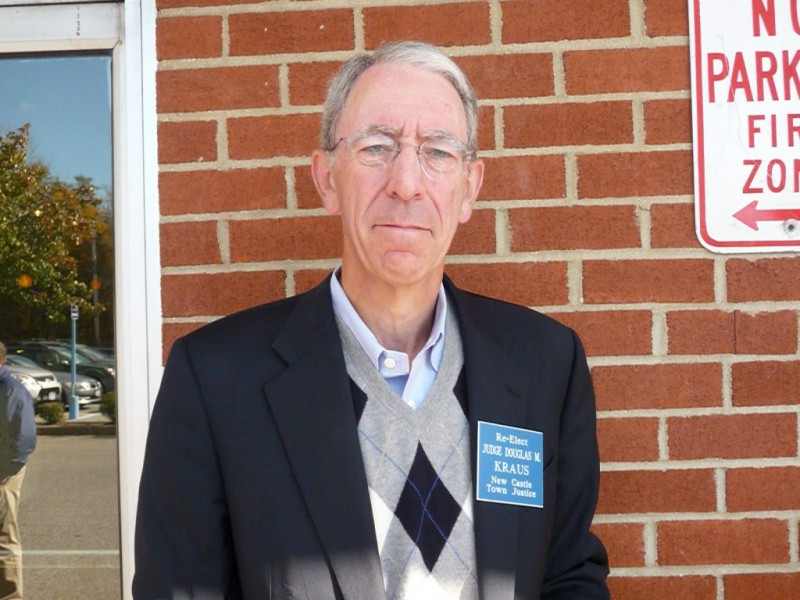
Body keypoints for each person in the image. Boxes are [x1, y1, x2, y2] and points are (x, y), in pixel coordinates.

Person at [134, 41, 609, 599]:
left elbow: (567, 574)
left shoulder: (544, 364)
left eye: (438, 152)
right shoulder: (215, 380)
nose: (406, 183)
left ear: (469, 188)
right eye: (377, 147)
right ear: (326, 178)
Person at [0, 341, 36, 600]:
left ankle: (10, 595)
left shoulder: (11, 389)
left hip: (3, 473)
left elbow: (24, 438)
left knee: (4, 537)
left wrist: (4, 471)